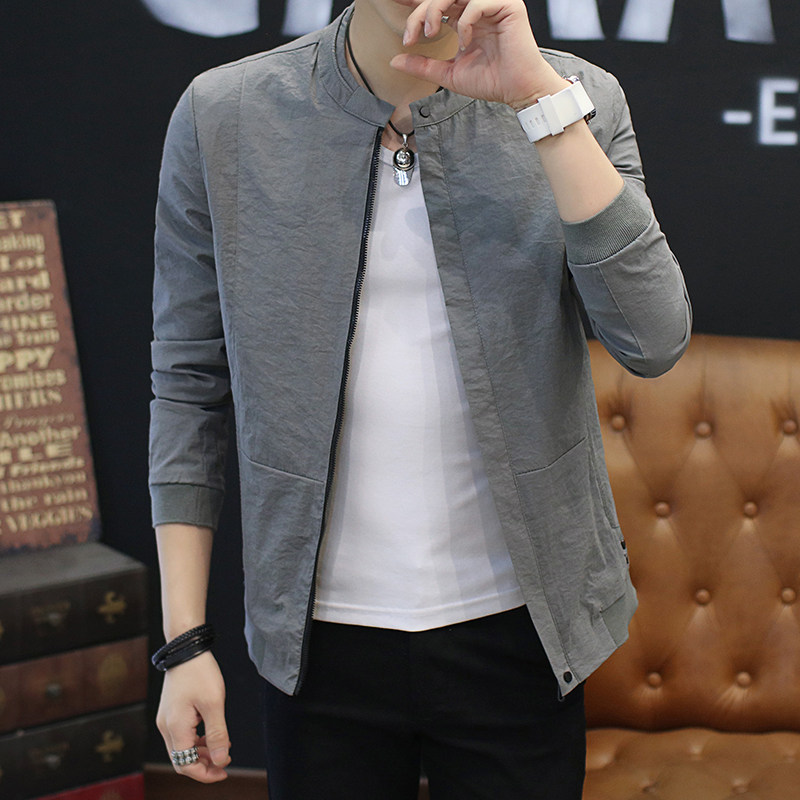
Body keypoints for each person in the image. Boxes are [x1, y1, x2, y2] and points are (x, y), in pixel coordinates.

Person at [149, 0, 691, 796]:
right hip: (316, 642)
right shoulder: (226, 113)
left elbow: (653, 339)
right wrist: (184, 642)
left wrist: (537, 100)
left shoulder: (577, 97)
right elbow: (188, 383)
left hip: (523, 630)